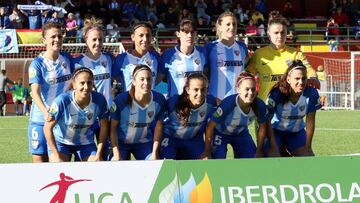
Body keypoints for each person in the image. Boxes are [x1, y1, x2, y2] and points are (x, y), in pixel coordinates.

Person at [246, 11, 319, 102]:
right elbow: (247, 75)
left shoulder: (296, 54)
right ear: (269, 34)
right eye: (276, 33)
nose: (280, 36)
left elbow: (309, 70)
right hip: (265, 107)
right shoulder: (259, 54)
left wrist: (314, 78)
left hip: (289, 107)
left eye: (282, 32)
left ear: (286, 33)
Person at [201, 72, 278, 159]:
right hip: (220, 133)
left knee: (252, 159)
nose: (250, 93)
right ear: (238, 89)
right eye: (247, 89)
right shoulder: (228, 104)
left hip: (240, 133)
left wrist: (259, 150)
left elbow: (262, 127)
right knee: (218, 159)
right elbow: (210, 126)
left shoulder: (260, 105)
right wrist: (207, 151)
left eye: (253, 89)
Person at [28, 22, 73, 163]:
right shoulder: (37, 64)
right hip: (41, 120)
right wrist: (46, 112)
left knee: (58, 164)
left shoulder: (67, 58)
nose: (57, 40)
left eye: (59, 36)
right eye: (53, 36)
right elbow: (34, 92)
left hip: (61, 122)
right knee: (40, 163)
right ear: (44, 40)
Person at [44, 67, 109, 162]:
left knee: (97, 164)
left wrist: (98, 153)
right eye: (82, 83)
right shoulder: (62, 100)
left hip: (85, 143)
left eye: (89, 83)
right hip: (61, 142)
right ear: (74, 85)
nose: (86, 87)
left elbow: (104, 126)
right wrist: (56, 155)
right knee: (58, 167)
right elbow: (47, 128)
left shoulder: (99, 100)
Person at [265, 60, 322, 156]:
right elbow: (267, 121)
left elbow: (310, 121)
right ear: (288, 79)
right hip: (275, 132)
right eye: (297, 78)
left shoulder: (311, 93)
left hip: (296, 133)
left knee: (308, 158)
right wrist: (274, 147)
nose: (301, 82)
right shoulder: (277, 94)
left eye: (304, 78)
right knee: (272, 157)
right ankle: (280, 148)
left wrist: (308, 147)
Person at [110, 65, 165, 160]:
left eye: (149, 79)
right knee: (116, 166)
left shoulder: (159, 99)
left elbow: (159, 127)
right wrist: (116, 154)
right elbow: (113, 128)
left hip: (143, 143)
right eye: (142, 79)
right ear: (134, 81)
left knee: (154, 164)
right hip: (121, 143)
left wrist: (155, 153)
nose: (146, 83)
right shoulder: (120, 101)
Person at [160, 73, 216, 160]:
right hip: (171, 139)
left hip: (193, 139)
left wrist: (207, 151)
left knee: (204, 163)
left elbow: (222, 105)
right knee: (167, 164)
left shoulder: (211, 102)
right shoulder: (173, 103)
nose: (200, 94)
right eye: (196, 90)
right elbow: (158, 122)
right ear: (188, 90)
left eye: (203, 89)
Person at [205, 11, 248, 101]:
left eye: (234, 24)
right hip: (216, 100)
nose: (231, 27)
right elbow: (204, 74)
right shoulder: (210, 47)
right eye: (228, 24)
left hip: (239, 100)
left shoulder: (242, 47)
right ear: (220, 27)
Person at [159, 19, 207, 97]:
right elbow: (156, 80)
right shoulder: (168, 55)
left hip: (198, 104)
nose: (190, 35)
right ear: (178, 34)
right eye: (186, 32)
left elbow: (207, 75)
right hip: (176, 104)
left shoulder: (202, 52)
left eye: (192, 32)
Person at [113, 21, 160, 93]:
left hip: (150, 102)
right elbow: (114, 78)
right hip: (129, 103)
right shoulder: (121, 58)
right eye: (141, 35)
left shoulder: (155, 56)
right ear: (133, 37)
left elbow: (159, 77)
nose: (145, 39)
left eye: (147, 35)